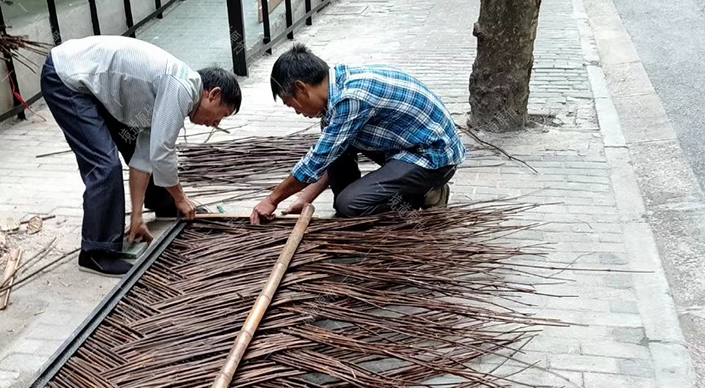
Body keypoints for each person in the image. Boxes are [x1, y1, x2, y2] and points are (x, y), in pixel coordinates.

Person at [41, 37, 241, 275]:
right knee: (104, 165)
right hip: (66, 78)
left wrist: (136, 217)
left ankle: (163, 204)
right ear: (213, 94)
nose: (215, 124)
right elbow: (163, 152)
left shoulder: (172, 93)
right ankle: (96, 251)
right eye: (222, 115)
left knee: (134, 145)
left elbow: (145, 156)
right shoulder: (181, 88)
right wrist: (181, 197)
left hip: (90, 82)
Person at [250, 45, 465, 223]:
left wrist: (272, 200)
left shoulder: (350, 98)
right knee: (336, 150)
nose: (298, 112)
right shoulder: (336, 90)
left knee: (350, 204)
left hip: (432, 157)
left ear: (302, 88)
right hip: (407, 145)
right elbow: (329, 154)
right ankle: (358, 202)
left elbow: (315, 162)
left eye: (292, 104)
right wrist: (305, 197)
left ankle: (425, 194)